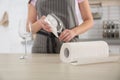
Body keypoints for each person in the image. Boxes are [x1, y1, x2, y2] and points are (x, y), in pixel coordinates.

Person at [28, 0, 94, 53]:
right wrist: (39, 23)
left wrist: (74, 32)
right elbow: (28, 28)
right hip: (41, 48)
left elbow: (89, 21)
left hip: (69, 46)